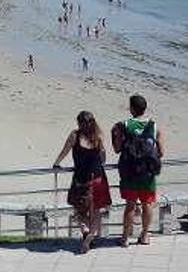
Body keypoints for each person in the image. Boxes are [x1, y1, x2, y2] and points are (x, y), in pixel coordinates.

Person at [53, 111, 111, 253]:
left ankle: (85, 231)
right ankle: (90, 237)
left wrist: (56, 163)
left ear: (79, 123)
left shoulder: (75, 135)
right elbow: (103, 158)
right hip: (98, 178)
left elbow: (64, 151)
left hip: (81, 179)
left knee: (79, 210)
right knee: (96, 211)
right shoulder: (97, 137)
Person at [112, 94, 164, 247]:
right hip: (147, 173)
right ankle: (145, 235)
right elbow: (161, 151)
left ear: (132, 109)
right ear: (144, 108)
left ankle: (125, 238)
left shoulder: (125, 124)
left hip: (130, 172)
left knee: (130, 205)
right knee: (147, 204)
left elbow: (117, 149)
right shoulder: (154, 126)